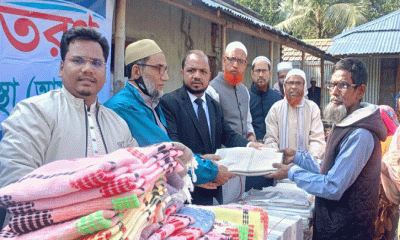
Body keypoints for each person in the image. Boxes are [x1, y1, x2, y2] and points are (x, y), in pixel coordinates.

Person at [0, 27, 138, 189]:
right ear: (61, 68)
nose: (87, 69)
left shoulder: (118, 123)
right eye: (78, 61)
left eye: (96, 63)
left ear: (105, 73)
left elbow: (137, 170)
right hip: (51, 214)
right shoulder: (32, 112)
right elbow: (14, 180)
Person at [270, 58, 387, 239]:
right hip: (335, 226)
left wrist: (291, 172)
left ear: (360, 91)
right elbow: (329, 168)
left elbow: (333, 186)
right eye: (331, 84)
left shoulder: (360, 134)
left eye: (343, 85)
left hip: (348, 230)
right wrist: (297, 157)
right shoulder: (346, 122)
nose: (334, 92)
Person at [104, 40, 235, 188]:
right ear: (136, 71)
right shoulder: (125, 107)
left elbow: (169, 152)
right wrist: (213, 172)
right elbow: (165, 152)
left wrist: (198, 160)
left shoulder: (152, 103)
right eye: (159, 69)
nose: (165, 77)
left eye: (165, 69)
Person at [160, 50, 264, 204]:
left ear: (210, 75)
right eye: (191, 70)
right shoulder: (169, 103)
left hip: (215, 189)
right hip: (186, 190)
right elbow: (173, 146)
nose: (197, 76)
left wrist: (249, 145)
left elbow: (227, 135)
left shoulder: (213, 105)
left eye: (203, 71)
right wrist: (200, 160)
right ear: (182, 73)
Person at [264, 69, 326, 158]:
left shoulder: (312, 108)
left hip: (306, 166)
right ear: (285, 86)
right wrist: (277, 159)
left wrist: (309, 160)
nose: (294, 87)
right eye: (290, 83)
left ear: (304, 87)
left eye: (298, 83)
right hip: (281, 163)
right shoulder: (276, 108)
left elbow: (317, 140)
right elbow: (271, 139)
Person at [208, 41, 256, 142]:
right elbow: (213, 128)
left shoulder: (244, 91)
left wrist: (251, 135)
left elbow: (247, 122)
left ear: (245, 64)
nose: (235, 65)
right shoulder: (212, 89)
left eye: (240, 61)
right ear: (224, 60)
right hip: (223, 152)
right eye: (232, 59)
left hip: (245, 149)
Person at [374, 105, 399, 240]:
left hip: (384, 189)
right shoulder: (392, 137)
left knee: (382, 222)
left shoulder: (388, 140)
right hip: (388, 188)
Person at [249, 56, 281, 141]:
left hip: (273, 144)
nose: (261, 75)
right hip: (252, 145)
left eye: (264, 71)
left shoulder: (276, 97)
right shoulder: (245, 97)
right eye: (258, 71)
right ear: (252, 73)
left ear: (270, 73)